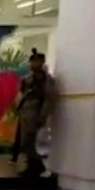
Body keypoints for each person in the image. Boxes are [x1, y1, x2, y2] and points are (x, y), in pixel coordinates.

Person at [15, 49, 58, 177]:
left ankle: (37, 167)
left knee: (31, 141)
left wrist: (43, 116)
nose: (33, 64)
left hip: (35, 114)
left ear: (42, 62)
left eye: (36, 61)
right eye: (32, 61)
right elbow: (22, 95)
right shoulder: (27, 79)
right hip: (25, 113)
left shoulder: (46, 80)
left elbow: (49, 99)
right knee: (25, 143)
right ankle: (32, 166)